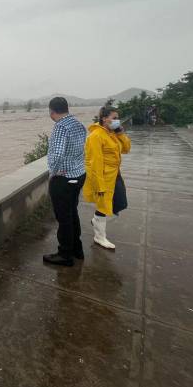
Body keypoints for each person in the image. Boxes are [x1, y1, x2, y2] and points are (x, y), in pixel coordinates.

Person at [42, 97, 88, 267]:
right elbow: (84, 148)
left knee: (64, 218)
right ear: (66, 108)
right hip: (79, 175)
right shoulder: (78, 124)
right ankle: (77, 250)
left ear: (51, 111)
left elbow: (57, 153)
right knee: (72, 213)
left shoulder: (60, 127)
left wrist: (53, 172)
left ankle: (65, 254)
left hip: (64, 179)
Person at [83, 106, 131, 249]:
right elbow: (94, 163)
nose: (117, 120)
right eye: (114, 118)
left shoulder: (112, 133)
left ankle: (96, 220)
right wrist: (99, 185)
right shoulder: (96, 136)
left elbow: (127, 149)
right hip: (103, 177)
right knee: (104, 207)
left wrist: (121, 133)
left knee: (120, 203)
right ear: (104, 118)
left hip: (115, 175)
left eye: (117, 118)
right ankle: (100, 237)